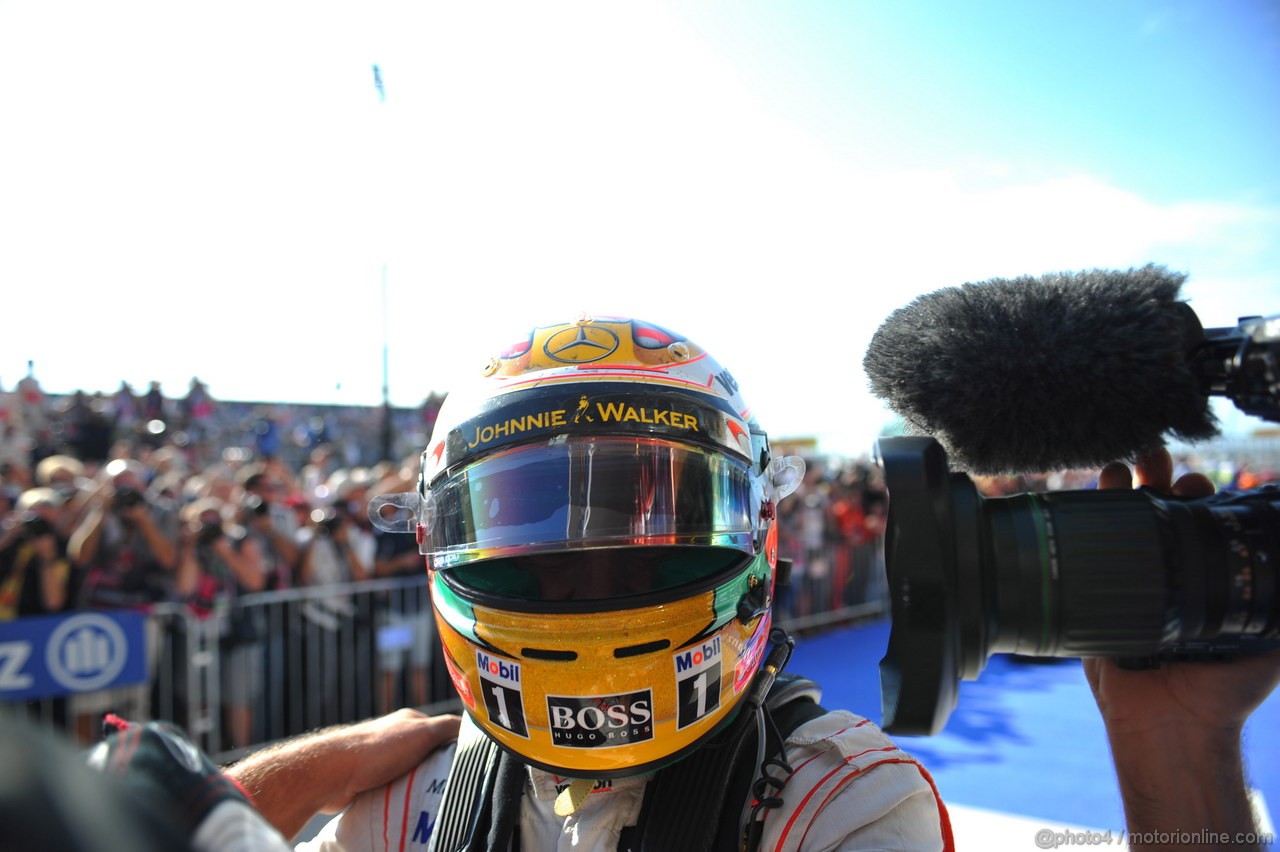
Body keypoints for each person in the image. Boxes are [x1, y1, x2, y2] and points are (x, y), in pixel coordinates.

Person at [224, 316, 1279, 851]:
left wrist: (1173, 760)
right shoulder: (401, 793)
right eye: (542, 529)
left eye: (656, 512)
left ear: (754, 526)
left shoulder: (835, 804)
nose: (598, 564)